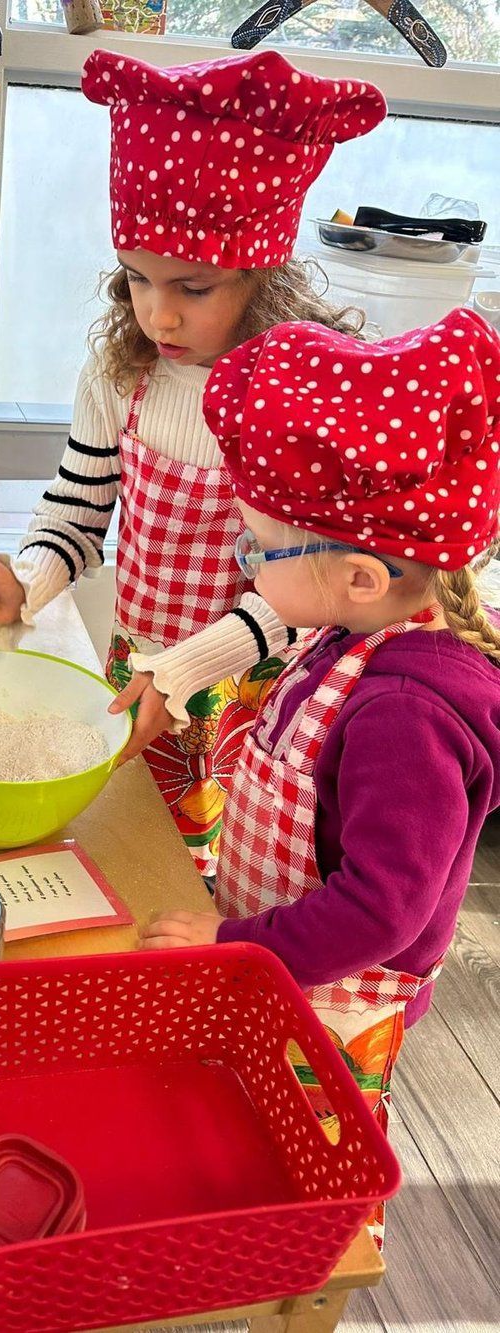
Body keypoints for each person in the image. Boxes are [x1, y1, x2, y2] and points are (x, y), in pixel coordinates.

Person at [0, 47, 386, 875]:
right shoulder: (121, 375)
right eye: (139, 279)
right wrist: (28, 577)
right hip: (135, 665)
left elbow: (312, 595)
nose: (157, 312)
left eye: (193, 286)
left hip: (251, 687)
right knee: (123, 851)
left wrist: (191, 666)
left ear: (263, 274)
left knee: (206, 874)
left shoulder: (295, 397)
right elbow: (78, 512)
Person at [141, 307, 500, 1246]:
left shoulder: (406, 714)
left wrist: (235, 944)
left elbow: (381, 909)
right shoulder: (355, 631)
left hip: (335, 996)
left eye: (260, 545)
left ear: (360, 577)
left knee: (309, 1174)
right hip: (280, 952)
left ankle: (297, 1259)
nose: (245, 560)